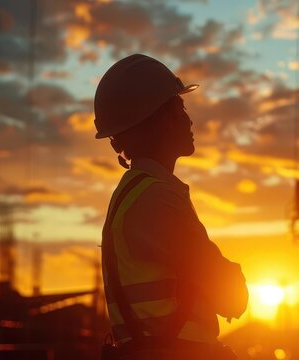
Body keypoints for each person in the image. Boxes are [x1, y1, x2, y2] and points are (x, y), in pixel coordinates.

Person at [94, 54, 248, 360]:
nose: (189, 119)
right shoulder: (157, 199)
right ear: (159, 120)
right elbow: (232, 297)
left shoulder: (133, 194)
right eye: (180, 108)